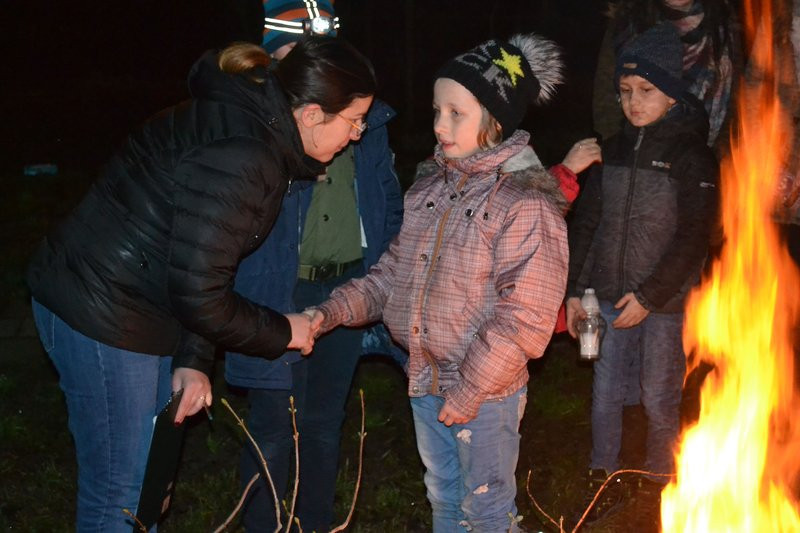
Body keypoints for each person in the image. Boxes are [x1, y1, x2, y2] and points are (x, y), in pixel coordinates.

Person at [25, 36, 377, 532]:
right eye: (354, 119)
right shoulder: (247, 153)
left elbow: (200, 262)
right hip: (103, 311)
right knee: (120, 495)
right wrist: (284, 331)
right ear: (313, 113)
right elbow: (202, 294)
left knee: (145, 484)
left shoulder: (252, 130)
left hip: (135, 304)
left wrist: (192, 361)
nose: (359, 133)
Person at [308, 33, 570, 532]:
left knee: (487, 510)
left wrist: (469, 390)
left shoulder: (525, 203)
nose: (439, 125)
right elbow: (393, 273)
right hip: (425, 375)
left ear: (495, 121)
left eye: (456, 113)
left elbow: (527, 316)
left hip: (486, 393)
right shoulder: (431, 186)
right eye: (436, 110)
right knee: (444, 496)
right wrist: (331, 311)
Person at [224, 2, 404, 531]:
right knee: (274, 428)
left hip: (344, 289)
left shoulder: (364, 121)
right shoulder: (259, 128)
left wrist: (383, 270)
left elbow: (386, 200)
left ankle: (316, 523)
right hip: (276, 291)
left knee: (325, 423)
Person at [565, 23, 719, 531]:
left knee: (658, 392)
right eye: (626, 92)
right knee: (606, 389)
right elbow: (587, 223)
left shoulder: (691, 155)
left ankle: (659, 477)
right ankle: (601, 472)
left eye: (646, 91)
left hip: (664, 302)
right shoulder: (608, 150)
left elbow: (694, 236)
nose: (634, 102)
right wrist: (571, 291)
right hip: (607, 295)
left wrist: (651, 296)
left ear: (672, 95)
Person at [593, 0, 740, 152]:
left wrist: (720, 158)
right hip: (635, 156)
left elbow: (736, 101)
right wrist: (619, 154)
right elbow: (605, 99)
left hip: (706, 155)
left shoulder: (724, 23)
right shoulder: (626, 23)